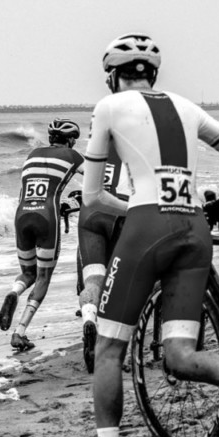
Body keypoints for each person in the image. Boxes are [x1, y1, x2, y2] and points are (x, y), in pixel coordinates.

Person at [82, 33, 219, 437]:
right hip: (195, 228)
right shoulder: (186, 106)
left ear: (113, 77)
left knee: (110, 348)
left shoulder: (108, 108)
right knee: (179, 353)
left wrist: (136, 208)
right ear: (152, 75)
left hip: (146, 230)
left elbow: (92, 198)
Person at [0, 118, 84, 353]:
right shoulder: (73, 156)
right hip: (47, 217)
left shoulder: (32, 154)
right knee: (44, 276)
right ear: (70, 140)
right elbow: (100, 179)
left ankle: (13, 292)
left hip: (22, 215)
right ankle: (20, 332)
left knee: (28, 273)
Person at [75, 143, 128, 373]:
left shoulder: (95, 147)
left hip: (89, 211)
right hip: (120, 209)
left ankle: (88, 318)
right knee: (119, 282)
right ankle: (112, 346)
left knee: (93, 281)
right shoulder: (135, 145)